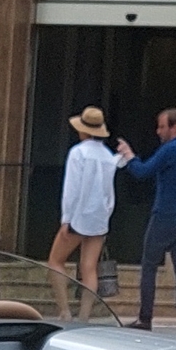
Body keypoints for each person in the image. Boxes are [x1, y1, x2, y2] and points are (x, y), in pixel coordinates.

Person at [114, 108, 176, 333]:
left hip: (164, 216)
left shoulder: (170, 150)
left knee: (148, 266)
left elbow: (142, 172)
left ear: (174, 127)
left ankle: (145, 318)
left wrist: (129, 155)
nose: (158, 131)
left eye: (162, 126)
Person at [49, 106, 116, 320]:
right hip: (99, 216)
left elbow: (72, 188)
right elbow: (109, 191)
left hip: (78, 215)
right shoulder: (108, 155)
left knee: (55, 260)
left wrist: (66, 218)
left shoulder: (78, 153)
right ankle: (85, 315)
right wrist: (106, 213)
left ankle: (65, 310)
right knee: (90, 267)